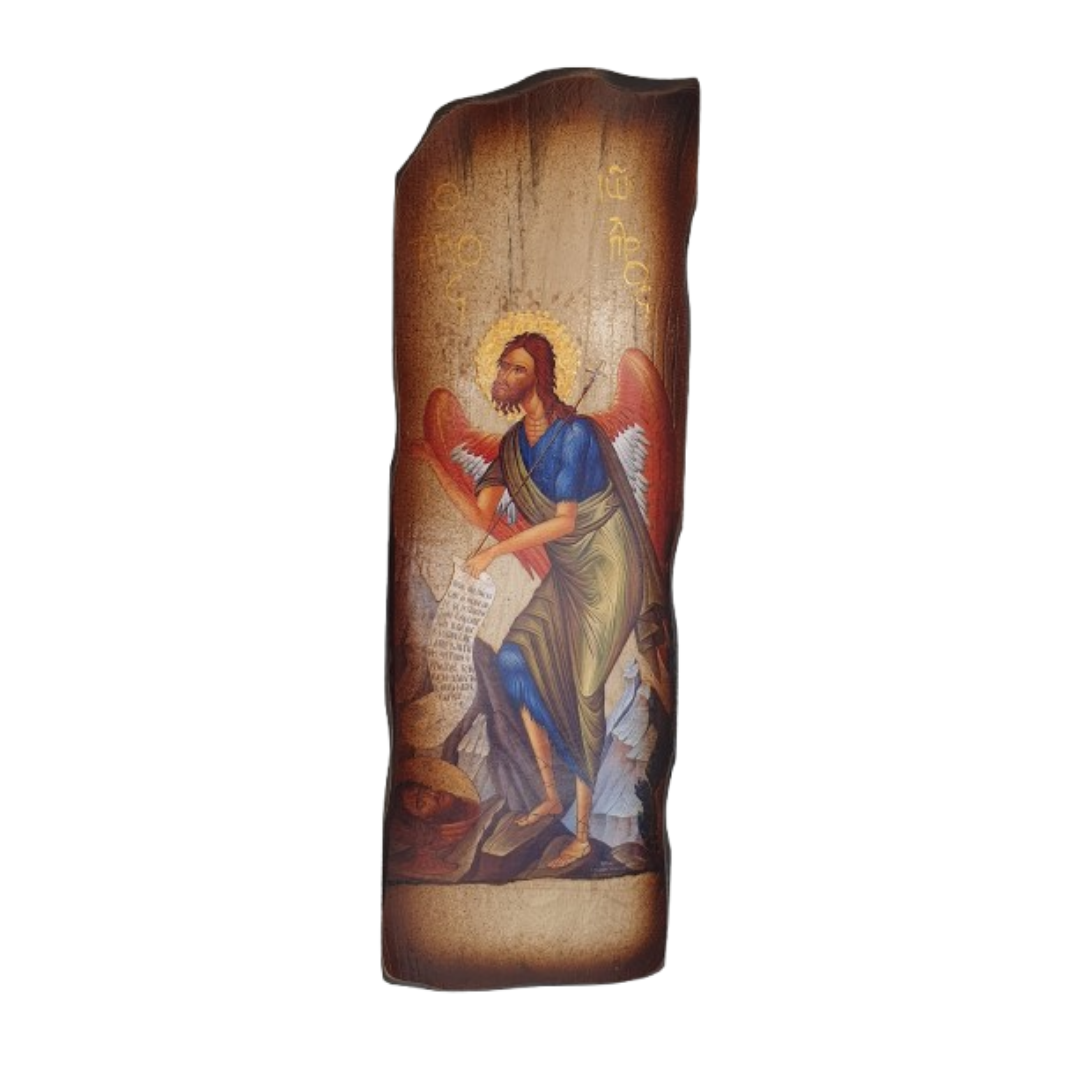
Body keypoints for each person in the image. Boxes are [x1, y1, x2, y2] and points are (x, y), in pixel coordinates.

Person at [415, 332, 667, 869]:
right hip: (570, 568)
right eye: (502, 367)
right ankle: (551, 797)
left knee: (584, 688)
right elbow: (483, 515)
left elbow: (565, 521)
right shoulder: (512, 446)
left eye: (516, 369)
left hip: (609, 564)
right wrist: (431, 463)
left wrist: (495, 553)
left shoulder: (575, 435)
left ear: (540, 377)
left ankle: (582, 832)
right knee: (514, 659)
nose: (503, 378)